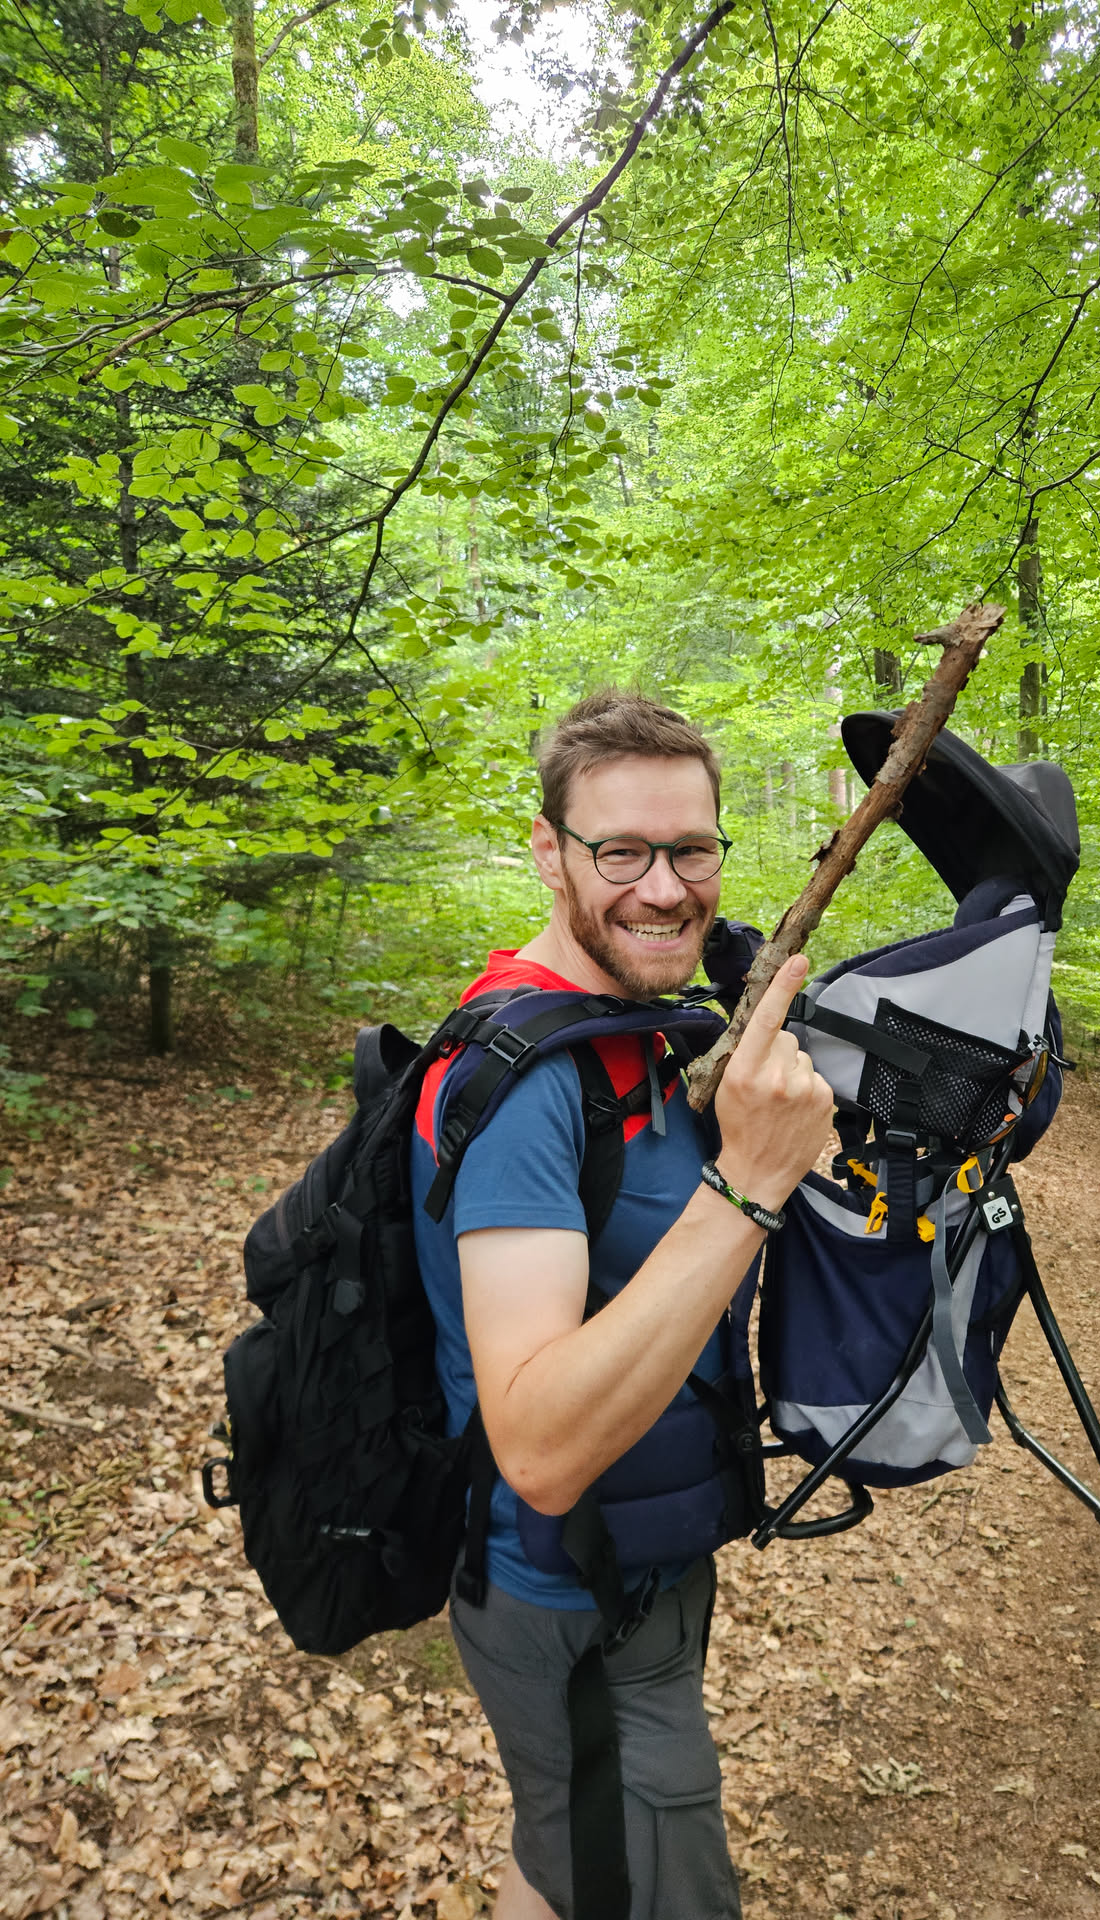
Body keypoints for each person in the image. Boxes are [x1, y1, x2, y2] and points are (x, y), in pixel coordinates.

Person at [411, 690, 835, 1920]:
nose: (664, 889)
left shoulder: (636, 1030)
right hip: (566, 1600)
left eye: (692, 850)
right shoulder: (525, 1086)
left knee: (565, 1855)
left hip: (644, 1566)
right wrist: (751, 1183)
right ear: (549, 853)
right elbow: (541, 1449)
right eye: (621, 854)